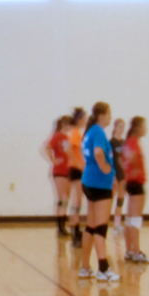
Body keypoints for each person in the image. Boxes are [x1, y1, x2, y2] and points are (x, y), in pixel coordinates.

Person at [77, 99, 123, 284]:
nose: (111, 117)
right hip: (99, 184)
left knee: (91, 226)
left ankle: (84, 267)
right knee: (100, 228)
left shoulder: (90, 131)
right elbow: (98, 153)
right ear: (102, 115)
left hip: (89, 181)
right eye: (109, 113)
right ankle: (103, 270)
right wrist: (106, 169)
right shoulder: (97, 132)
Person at [47, 108, 82, 263]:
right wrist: (53, 160)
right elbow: (46, 147)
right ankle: (60, 228)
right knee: (62, 199)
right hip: (59, 171)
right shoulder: (57, 136)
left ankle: (63, 226)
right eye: (67, 124)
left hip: (67, 170)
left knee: (66, 199)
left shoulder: (67, 137)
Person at [118, 116, 149, 265]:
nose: (146, 129)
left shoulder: (128, 142)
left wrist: (127, 172)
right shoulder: (133, 142)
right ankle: (136, 252)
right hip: (137, 182)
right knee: (135, 219)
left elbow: (121, 159)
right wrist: (135, 169)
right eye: (144, 126)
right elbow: (132, 158)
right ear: (138, 127)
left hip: (130, 182)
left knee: (130, 218)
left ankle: (129, 251)